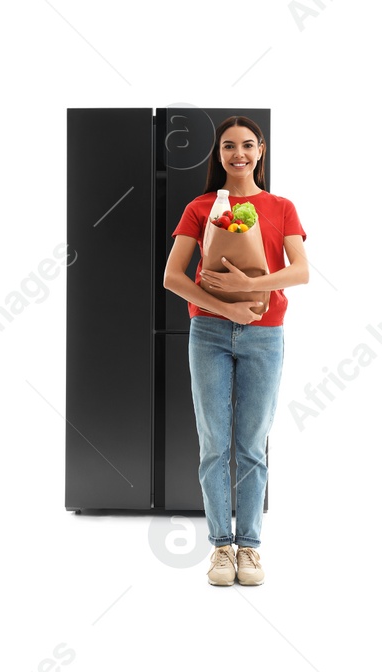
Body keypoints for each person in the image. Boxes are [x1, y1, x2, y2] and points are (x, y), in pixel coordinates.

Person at [161, 116, 308, 586]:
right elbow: (173, 277)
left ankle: (251, 549)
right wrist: (225, 310)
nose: (238, 154)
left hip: (265, 335)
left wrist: (251, 287)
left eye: (247, 145)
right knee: (213, 444)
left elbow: (300, 271)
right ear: (218, 153)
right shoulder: (200, 206)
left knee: (251, 446)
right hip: (208, 334)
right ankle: (221, 549)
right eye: (229, 146)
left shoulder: (281, 207)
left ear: (260, 150)